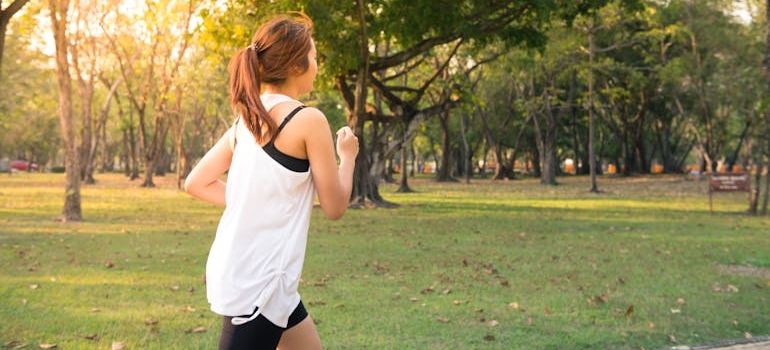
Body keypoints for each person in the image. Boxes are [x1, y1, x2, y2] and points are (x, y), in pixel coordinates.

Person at [184, 12, 358, 350]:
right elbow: (335, 206)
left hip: (263, 278)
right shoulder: (308, 120)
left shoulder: (246, 120)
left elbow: (196, 182)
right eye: (314, 57)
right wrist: (347, 157)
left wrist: (251, 199)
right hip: (258, 285)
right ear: (296, 65)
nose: (317, 66)